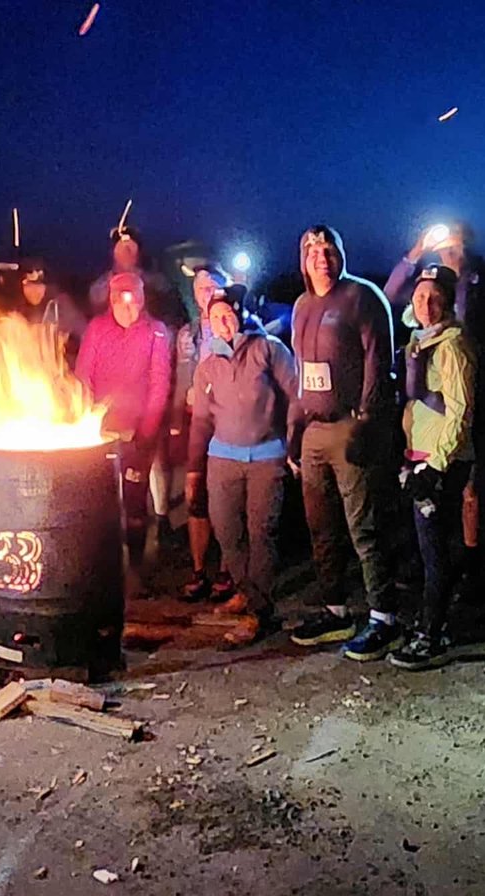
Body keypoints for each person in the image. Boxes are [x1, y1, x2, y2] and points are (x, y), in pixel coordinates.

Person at [283, 225, 400, 659]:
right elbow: (300, 371)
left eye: (329, 248)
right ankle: (335, 608)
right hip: (313, 429)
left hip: (349, 427)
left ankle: (384, 615)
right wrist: (294, 433)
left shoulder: (362, 297)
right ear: (303, 259)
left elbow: (377, 362)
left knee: (363, 526)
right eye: (312, 249)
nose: (321, 256)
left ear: (340, 254)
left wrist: (367, 422)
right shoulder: (300, 306)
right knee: (321, 526)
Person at [383, 222, 485, 597]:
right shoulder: (431, 287)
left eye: (452, 240)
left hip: (473, 385)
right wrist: (414, 253)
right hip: (433, 398)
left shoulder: (481, 281)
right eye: (441, 242)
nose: (446, 247)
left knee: (467, 485)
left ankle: (468, 564)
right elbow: (388, 297)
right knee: (432, 488)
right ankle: (433, 563)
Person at [186, 289, 299, 646]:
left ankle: (258, 614)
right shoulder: (208, 365)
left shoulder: (268, 349)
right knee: (227, 531)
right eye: (214, 316)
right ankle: (245, 592)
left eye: (226, 314)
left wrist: (292, 444)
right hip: (223, 459)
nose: (221, 322)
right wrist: (193, 469)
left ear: (239, 313)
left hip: (266, 457)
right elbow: (201, 421)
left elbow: (296, 397)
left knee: (261, 533)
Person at [388, 265, 478, 671]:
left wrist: (437, 465)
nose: (426, 304)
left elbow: (460, 411)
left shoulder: (453, 346)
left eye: (434, 297)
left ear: (447, 300)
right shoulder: (419, 343)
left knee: (434, 551)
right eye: (420, 296)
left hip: (440, 461)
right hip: (418, 456)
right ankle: (433, 620)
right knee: (426, 550)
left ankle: (433, 634)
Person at [76, 271, 173, 563]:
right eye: (120, 302)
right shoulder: (97, 328)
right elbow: (83, 376)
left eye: (133, 302)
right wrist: (89, 421)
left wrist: (147, 429)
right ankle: (101, 564)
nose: (127, 309)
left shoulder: (156, 331)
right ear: (111, 302)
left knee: (135, 500)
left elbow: (160, 383)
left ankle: (135, 566)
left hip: (138, 432)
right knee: (99, 500)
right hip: (101, 430)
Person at [177, 267, 241, 602]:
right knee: (197, 497)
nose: (206, 293)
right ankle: (199, 570)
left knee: (228, 500)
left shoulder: (237, 326)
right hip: (197, 422)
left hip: (229, 423)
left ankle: (228, 571)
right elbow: (179, 376)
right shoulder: (188, 333)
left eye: (213, 287)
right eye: (200, 288)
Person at [15, 256, 85, 357]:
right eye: (29, 286)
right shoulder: (16, 312)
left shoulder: (61, 306)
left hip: (57, 369)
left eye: (40, 285)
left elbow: (86, 336)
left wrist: (69, 346)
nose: (35, 291)